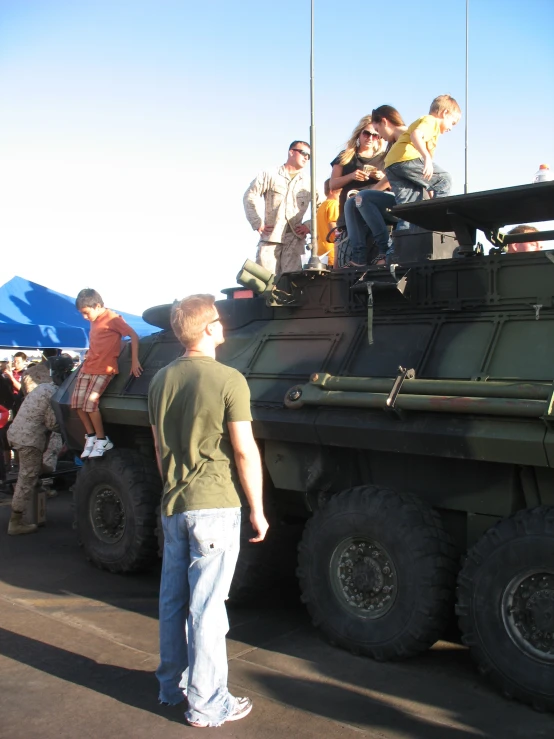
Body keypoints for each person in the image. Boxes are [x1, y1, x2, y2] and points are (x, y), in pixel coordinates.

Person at [148, 294, 269, 728]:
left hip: (175, 504)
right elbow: (243, 450)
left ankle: (171, 686)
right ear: (207, 328)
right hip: (215, 504)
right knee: (208, 609)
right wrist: (257, 508)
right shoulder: (229, 379)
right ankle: (207, 703)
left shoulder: (161, 379)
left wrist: (172, 492)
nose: (224, 327)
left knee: (173, 600)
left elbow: (162, 449)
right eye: (218, 321)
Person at [6, 355, 74, 535]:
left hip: (17, 434)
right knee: (27, 477)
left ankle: (30, 505)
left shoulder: (44, 387)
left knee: (32, 472)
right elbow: (53, 424)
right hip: (29, 439)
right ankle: (16, 521)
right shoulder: (54, 393)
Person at [72, 288, 143, 459]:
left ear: (97, 306)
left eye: (86, 313)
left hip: (104, 368)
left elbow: (133, 335)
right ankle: (91, 436)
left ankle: (102, 439)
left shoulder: (113, 319)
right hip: (89, 366)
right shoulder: (94, 319)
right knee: (76, 403)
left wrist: (135, 360)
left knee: (90, 404)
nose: (84, 317)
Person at [343, 106, 408, 266]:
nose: (379, 137)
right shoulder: (393, 145)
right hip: (395, 197)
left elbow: (394, 176)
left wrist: (375, 187)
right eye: (369, 133)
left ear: (384, 122)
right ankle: (359, 257)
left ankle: (385, 250)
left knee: (362, 198)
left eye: (377, 132)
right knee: (351, 203)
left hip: (406, 198)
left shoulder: (406, 139)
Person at [384, 95, 461, 228]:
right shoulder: (431, 121)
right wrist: (426, 158)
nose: (451, 128)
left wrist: (431, 189)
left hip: (392, 164)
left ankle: (399, 246)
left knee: (408, 208)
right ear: (445, 113)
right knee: (445, 179)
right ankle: (438, 222)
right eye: (452, 123)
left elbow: (429, 178)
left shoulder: (432, 134)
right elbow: (416, 135)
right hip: (406, 158)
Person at [244, 141, 316, 277]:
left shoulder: (309, 182)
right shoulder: (269, 174)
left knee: (291, 287)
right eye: (304, 153)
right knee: (264, 284)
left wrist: (308, 225)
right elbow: (249, 196)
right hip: (270, 238)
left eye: (309, 156)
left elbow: (321, 207)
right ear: (291, 152)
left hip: (295, 241)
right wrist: (257, 222)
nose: (306, 158)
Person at [329, 115, 389, 232]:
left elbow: (395, 183)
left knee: (379, 248)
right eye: (366, 133)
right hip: (350, 215)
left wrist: (382, 178)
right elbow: (332, 184)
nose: (370, 138)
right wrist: (351, 176)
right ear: (359, 134)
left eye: (375, 135)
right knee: (353, 248)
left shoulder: (384, 158)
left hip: (377, 215)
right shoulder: (346, 156)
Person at [316, 179, 340, 267]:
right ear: (331, 191)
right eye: (339, 194)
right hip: (332, 251)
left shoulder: (322, 206)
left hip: (321, 250)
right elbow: (333, 225)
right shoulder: (334, 204)